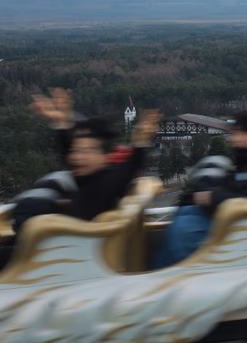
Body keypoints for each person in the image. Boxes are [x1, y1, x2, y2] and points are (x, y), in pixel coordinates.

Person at [0, 89, 159, 270]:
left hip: (53, 257)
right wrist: (61, 122)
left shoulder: (107, 182)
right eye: (76, 151)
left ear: (107, 156)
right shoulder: (89, 176)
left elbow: (127, 169)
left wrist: (139, 144)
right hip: (48, 248)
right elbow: (69, 150)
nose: (78, 157)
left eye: (86, 151)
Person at [151, 109, 247, 268]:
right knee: (186, 210)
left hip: (243, 227)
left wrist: (211, 197)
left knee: (185, 227)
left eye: (238, 132)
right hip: (235, 219)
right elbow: (240, 187)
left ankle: (170, 273)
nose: (231, 139)